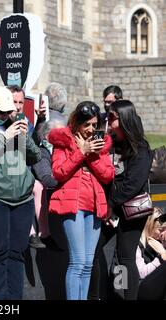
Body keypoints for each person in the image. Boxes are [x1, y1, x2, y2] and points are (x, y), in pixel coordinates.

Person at [0, 86, 41, 300]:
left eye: (8, 111)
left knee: (17, 253)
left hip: (22, 199)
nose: (6, 115)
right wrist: (5, 137)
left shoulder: (15, 126)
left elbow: (35, 156)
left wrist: (24, 135)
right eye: (1, 111)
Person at [48, 101, 115, 300]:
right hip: (73, 204)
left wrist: (91, 154)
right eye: (87, 125)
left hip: (94, 206)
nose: (91, 129)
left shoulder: (99, 144)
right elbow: (58, 173)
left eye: (94, 125)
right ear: (77, 123)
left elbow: (108, 174)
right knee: (77, 262)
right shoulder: (63, 141)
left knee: (87, 263)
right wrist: (81, 152)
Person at [91, 99, 153, 300]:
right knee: (93, 247)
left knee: (125, 256)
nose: (108, 121)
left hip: (131, 210)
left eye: (112, 118)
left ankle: (125, 297)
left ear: (124, 119)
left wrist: (111, 205)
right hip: (111, 209)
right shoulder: (109, 142)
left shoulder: (140, 148)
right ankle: (107, 294)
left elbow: (133, 185)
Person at [30, 117, 67, 251]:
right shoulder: (42, 152)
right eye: (59, 133)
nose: (64, 136)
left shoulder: (67, 150)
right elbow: (46, 178)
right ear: (47, 136)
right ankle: (43, 233)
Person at [136, 207, 166, 300]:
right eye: (161, 230)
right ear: (149, 226)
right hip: (140, 288)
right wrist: (161, 256)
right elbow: (141, 273)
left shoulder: (161, 242)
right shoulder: (137, 245)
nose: (163, 233)